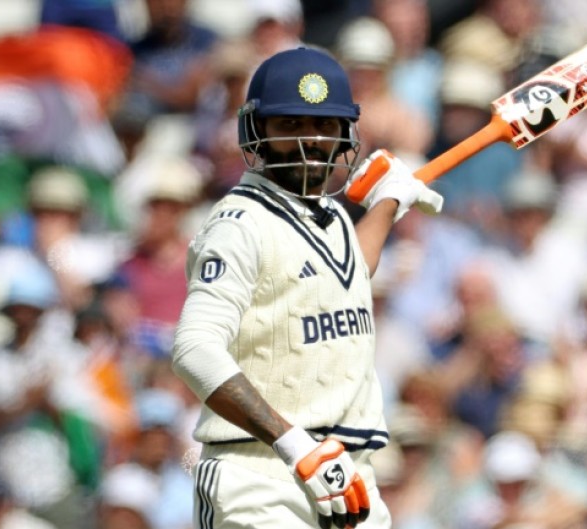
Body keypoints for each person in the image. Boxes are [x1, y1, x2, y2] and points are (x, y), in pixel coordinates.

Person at [171, 47, 443, 529]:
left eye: (322, 127)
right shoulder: (240, 223)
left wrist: (387, 203)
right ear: (257, 132)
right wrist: (295, 445)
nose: (309, 142)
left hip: (350, 474)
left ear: (345, 134)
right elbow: (195, 349)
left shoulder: (333, 215)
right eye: (290, 125)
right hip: (260, 472)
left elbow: (350, 275)